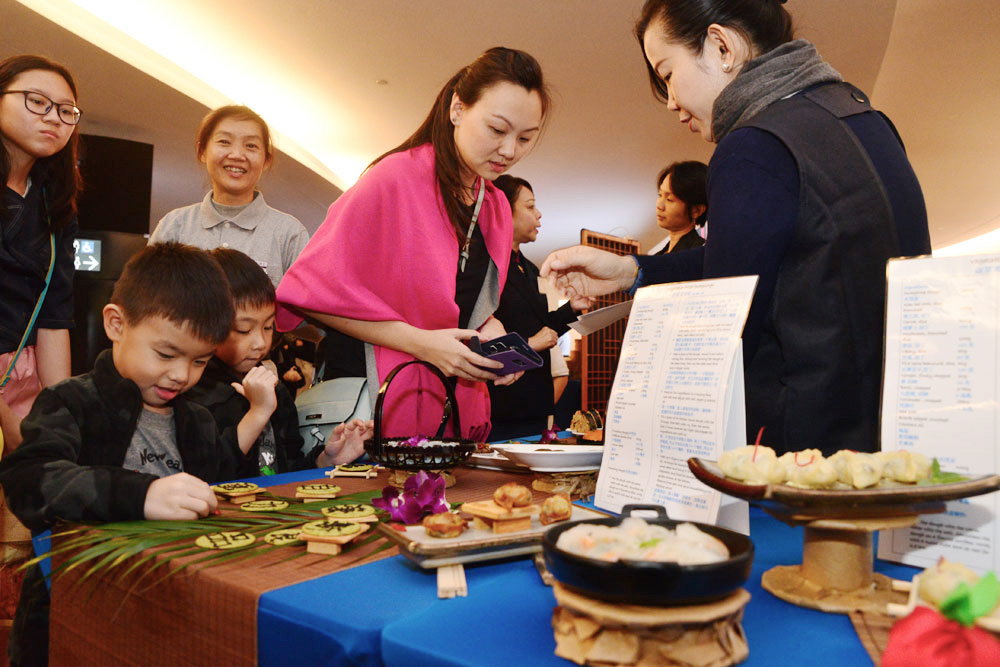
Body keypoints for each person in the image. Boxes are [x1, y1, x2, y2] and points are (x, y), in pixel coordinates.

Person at [541, 0, 931, 456]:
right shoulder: (865, 118)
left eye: (668, 74)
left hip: (796, 456)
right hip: (889, 437)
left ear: (721, 47)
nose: (670, 101)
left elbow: (726, 321)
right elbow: (774, 254)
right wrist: (631, 270)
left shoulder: (752, 145)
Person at [277, 47, 551, 442]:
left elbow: (467, 306)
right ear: (457, 108)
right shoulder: (393, 178)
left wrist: (491, 332)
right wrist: (423, 344)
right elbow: (306, 293)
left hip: (446, 402)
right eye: (497, 130)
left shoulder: (494, 207)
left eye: (525, 138)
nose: (510, 150)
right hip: (372, 398)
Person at [0, 242, 239, 666]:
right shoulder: (71, 402)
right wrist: (140, 495)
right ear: (116, 324)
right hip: (71, 618)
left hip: (166, 618)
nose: (181, 374)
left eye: (200, 361)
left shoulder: (199, 421)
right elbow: (30, 481)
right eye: (166, 354)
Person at [186, 248, 372, 477]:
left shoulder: (276, 390)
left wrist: (326, 460)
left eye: (267, 327)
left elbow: (286, 469)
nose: (259, 343)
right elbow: (205, 474)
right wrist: (257, 413)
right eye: (243, 330)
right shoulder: (193, 394)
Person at [0, 55, 82, 451]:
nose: (53, 118)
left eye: (66, 111)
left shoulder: (55, 205)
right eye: (36, 101)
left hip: (25, 372)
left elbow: (53, 315)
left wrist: (58, 412)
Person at [148, 105, 309, 288]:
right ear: (202, 151)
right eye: (224, 142)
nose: (237, 155)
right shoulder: (174, 227)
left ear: (266, 160)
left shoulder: (290, 234)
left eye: (251, 146)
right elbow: (147, 297)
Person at [487, 175, 582, 440]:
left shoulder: (528, 268)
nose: (538, 214)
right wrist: (529, 344)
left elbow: (542, 328)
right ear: (504, 211)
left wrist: (573, 308)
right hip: (501, 401)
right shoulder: (485, 265)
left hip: (535, 400)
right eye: (530, 206)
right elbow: (475, 334)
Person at [650, 160, 707, 254]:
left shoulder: (698, 253)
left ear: (696, 210)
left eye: (669, 199)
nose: (659, 206)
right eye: (660, 195)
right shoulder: (659, 255)